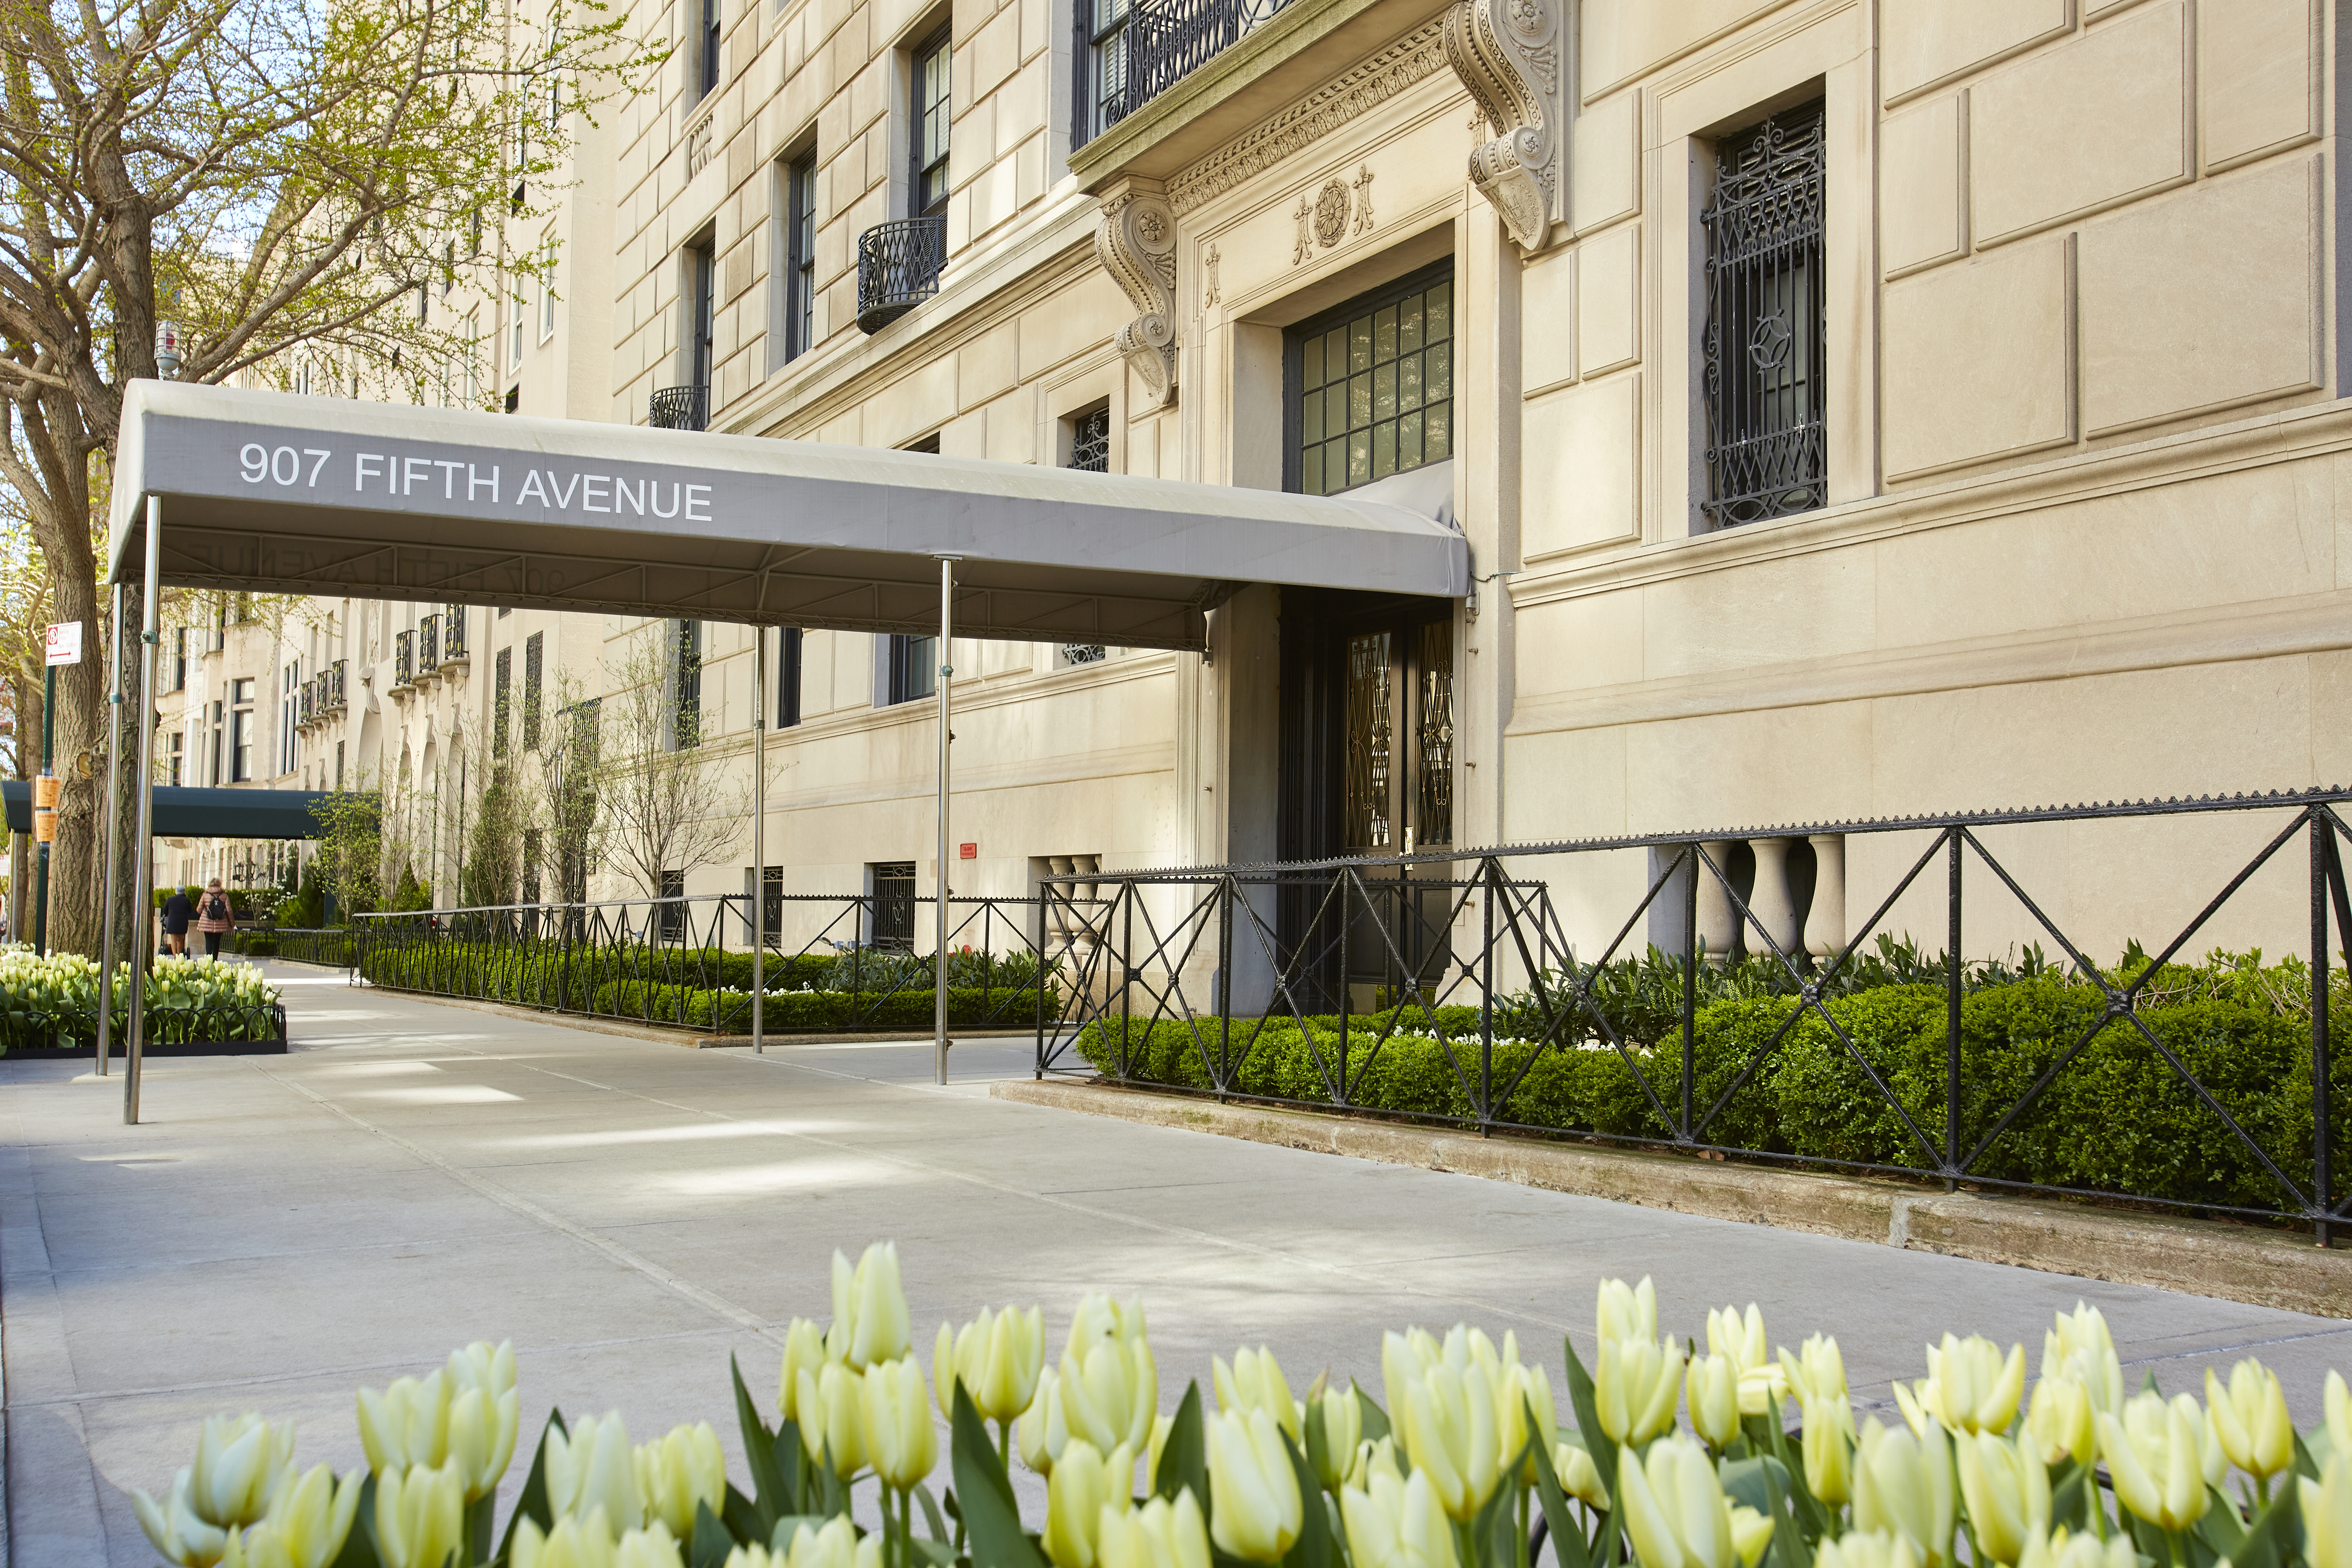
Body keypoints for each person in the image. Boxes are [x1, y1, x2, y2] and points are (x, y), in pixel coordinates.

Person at [196, 878, 235, 959]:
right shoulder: (224, 896)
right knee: (217, 942)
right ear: (219, 885)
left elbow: (199, 910)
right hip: (220, 923)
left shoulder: (205, 895)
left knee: (209, 941)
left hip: (207, 922)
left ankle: (209, 959)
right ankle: (215, 960)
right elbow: (229, 911)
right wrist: (232, 924)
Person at [160, 886, 195, 956]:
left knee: (174, 940)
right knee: (180, 940)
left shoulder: (170, 900)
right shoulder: (186, 900)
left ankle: (175, 957)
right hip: (182, 922)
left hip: (172, 922)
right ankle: (179, 956)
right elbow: (190, 911)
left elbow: (165, 911)